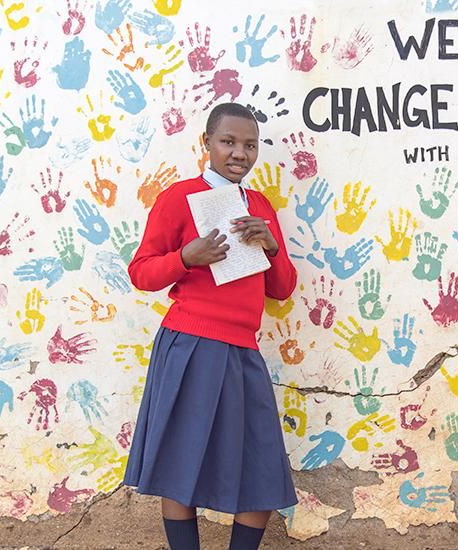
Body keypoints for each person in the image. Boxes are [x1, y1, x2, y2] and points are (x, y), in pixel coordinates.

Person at [124, 102, 298, 550]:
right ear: (207, 143)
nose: (239, 153)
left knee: (262, 471)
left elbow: (281, 289)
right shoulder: (179, 197)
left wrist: (271, 246)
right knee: (180, 466)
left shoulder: (259, 207)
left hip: (243, 349)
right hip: (190, 344)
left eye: (250, 145)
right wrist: (186, 257)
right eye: (228, 141)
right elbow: (141, 272)